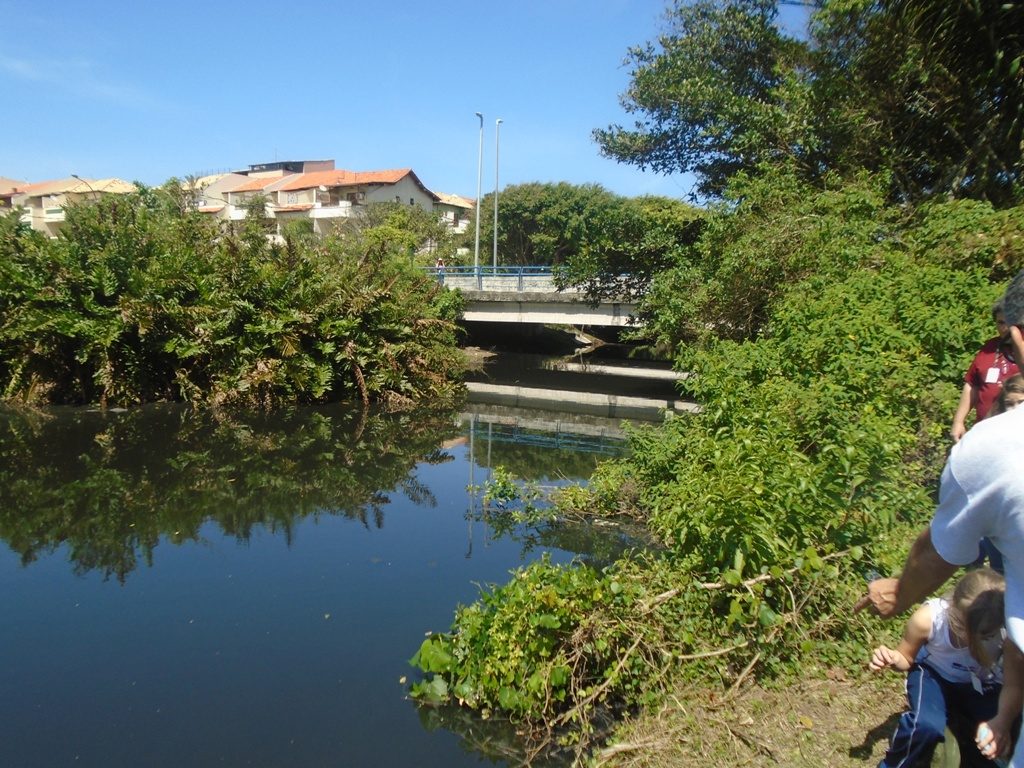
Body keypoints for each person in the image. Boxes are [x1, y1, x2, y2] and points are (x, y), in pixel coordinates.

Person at [870, 568, 1009, 767]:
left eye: (984, 634)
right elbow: (905, 657)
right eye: (962, 627)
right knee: (925, 725)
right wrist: (892, 658)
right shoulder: (929, 619)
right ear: (954, 606)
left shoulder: (1009, 630)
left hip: (981, 683)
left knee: (1001, 731)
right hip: (934, 676)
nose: (970, 638)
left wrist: (1003, 721)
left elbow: (1012, 683)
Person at [951, 299, 1021, 442]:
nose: (1005, 328)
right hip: (985, 432)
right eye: (1000, 323)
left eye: (1010, 322)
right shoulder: (989, 347)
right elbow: (972, 384)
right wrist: (958, 421)